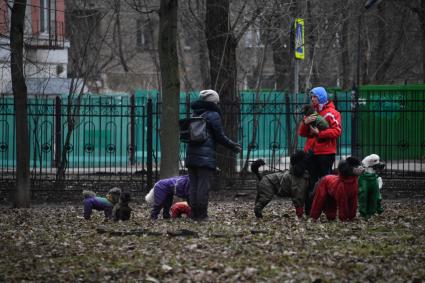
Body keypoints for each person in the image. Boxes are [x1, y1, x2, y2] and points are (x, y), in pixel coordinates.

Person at [185, 89, 241, 221]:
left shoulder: (195, 113)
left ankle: (193, 214)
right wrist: (233, 146)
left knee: (193, 186)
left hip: (191, 155)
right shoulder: (213, 115)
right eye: (217, 102)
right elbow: (219, 136)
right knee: (203, 187)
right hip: (205, 157)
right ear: (213, 102)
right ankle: (202, 215)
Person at [298, 87, 342, 216]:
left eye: (315, 97)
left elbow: (337, 131)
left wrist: (320, 133)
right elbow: (302, 133)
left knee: (326, 182)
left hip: (326, 153)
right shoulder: (311, 112)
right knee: (310, 182)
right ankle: (310, 211)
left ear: (322, 97)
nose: (312, 99)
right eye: (311, 97)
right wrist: (305, 123)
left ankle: (328, 210)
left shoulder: (333, 113)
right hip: (311, 153)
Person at [251, 151, 310, 218]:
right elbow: (298, 198)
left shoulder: (298, 175)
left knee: (262, 198)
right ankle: (257, 210)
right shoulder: (298, 179)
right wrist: (300, 214)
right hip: (268, 182)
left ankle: (258, 210)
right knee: (265, 198)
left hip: (267, 180)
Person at [358, 154, 385, 218]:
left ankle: (372, 212)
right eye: (375, 161)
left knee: (375, 196)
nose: (378, 163)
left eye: (378, 160)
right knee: (363, 195)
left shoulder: (375, 175)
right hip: (366, 178)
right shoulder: (365, 165)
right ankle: (364, 213)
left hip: (372, 178)